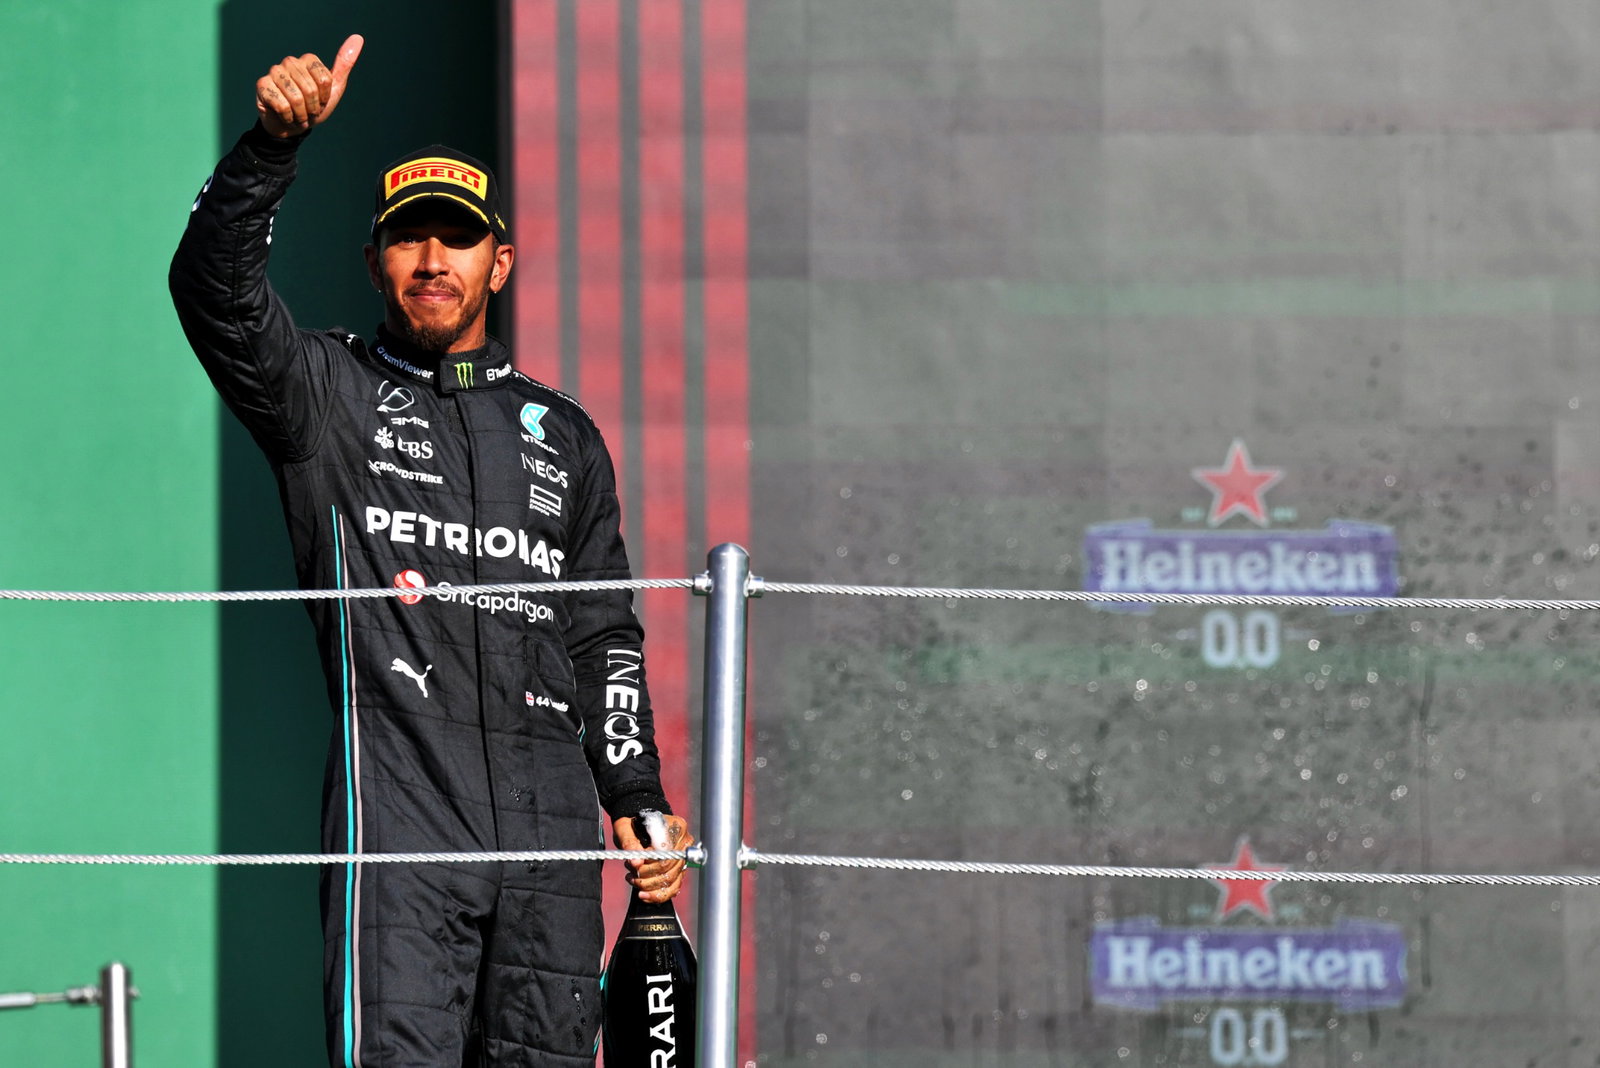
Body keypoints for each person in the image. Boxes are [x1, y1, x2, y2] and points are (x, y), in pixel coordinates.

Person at [169, 35, 693, 1067]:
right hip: (402, 834)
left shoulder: (566, 435)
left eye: (457, 240)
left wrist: (634, 795)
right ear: (376, 262)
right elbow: (212, 292)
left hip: (548, 841)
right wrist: (270, 151)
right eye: (410, 241)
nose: (432, 260)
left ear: (499, 261)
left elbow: (601, 631)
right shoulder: (328, 396)